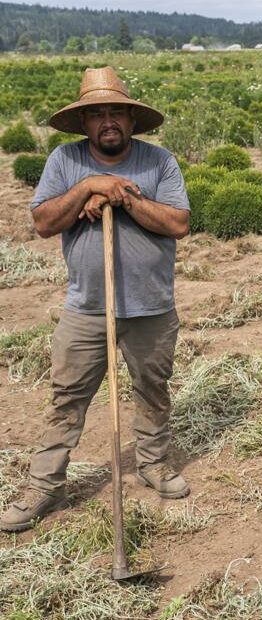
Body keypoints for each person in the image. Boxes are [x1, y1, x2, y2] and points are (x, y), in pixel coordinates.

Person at [1, 66, 191, 533]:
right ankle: (45, 484)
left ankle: (152, 463)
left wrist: (121, 196)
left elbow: (177, 224)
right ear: (83, 122)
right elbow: (44, 222)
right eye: (97, 113)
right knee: (67, 397)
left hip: (151, 307)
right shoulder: (65, 162)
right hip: (86, 307)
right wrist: (87, 187)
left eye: (117, 112)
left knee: (152, 390)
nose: (108, 121)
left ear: (131, 119)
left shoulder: (158, 163)